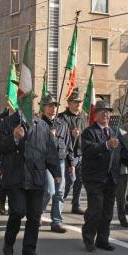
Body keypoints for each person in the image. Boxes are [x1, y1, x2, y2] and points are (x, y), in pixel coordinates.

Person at [0, 108, 61, 255]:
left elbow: (50, 151)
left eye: (32, 101)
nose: (29, 104)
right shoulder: (8, 123)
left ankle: (29, 250)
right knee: (17, 211)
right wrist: (14, 138)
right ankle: (9, 242)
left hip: (36, 177)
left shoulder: (42, 125)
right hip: (15, 176)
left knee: (34, 216)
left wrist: (56, 171)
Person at [81, 100, 128, 252]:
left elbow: (125, 152)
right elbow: (88, 150)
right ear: (96, 115)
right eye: (102, 111)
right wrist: (106, 145)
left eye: (108, 112)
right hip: (94, 178)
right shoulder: (89, 132)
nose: (106, 114)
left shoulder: (115, 132)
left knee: (107, 211)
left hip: (112, 178)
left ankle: (102, 240)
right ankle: (89, 239)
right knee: (96, 209)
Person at [40, 92, 74, 233]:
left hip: (60, 161)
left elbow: (68, 144)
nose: (53, 108)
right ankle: (37, 214)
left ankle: (56, 222)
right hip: (45, 162)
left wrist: (71, 164)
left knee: (59, 193)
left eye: (55, 106)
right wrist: (49, 136)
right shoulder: (38, 122)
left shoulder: (62, 124)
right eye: (49, 106)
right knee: (49, 191)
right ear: (43, 107)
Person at [58, 87, 88, 215]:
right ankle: (59, 201)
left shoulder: (83, 116)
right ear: (69, 103)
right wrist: (71, 133)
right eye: (76, 102)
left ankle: (76, 205)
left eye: (79, 102)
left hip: (81, 152)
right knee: (70, 180)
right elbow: (60, 135)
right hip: (68, 154)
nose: (78, 104)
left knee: (79, 181)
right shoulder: (62, 117)